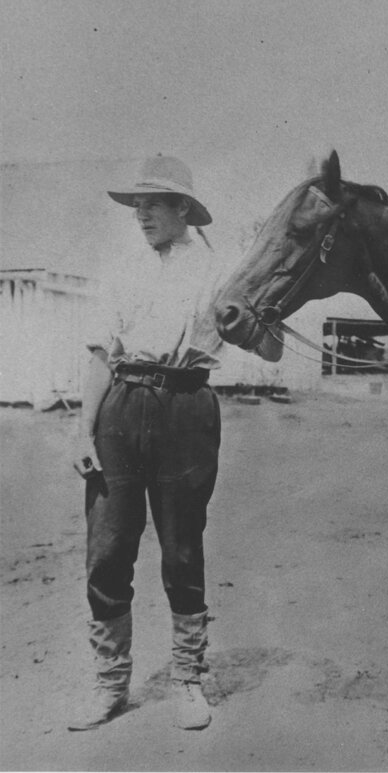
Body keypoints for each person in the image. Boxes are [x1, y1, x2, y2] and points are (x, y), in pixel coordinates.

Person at [68, 155, 278, 731]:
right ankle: (109, 684)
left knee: (182, 550)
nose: (142, 215)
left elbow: (269, 343)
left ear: (183, 208)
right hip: (119, 410)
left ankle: (188, 678)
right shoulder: (121, 270)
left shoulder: (222, 273)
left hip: (187, 408)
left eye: (153, 203)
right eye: (136, 206)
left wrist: (260, 317)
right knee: (108, 551)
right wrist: (83, 429)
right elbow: (97, 355)